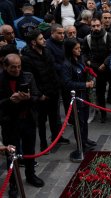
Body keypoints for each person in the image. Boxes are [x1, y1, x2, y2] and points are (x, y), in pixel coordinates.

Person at [0, 54, 45, 197]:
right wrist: (10, 100)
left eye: (19, 66)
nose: (17, 69)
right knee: (11, 154)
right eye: (13, 67)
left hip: (28, 120)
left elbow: (38, 96)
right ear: (5, 66)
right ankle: (13, 182)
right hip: (9, 123)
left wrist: (29, 98)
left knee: (29, 150)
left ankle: (31, 175)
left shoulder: (28, 76)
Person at [21, 29, 70, 152]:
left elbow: (52, 70)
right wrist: (39, 94)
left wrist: (56, 86)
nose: (44, 41)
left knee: (55, 116)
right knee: (42, 120)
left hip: (53, 90)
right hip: (41, 94)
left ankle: (56, 137)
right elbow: (31, 79)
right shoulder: (27, 58)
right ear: (33, 42)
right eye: (41, 39)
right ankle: (43, 144)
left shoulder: (47, 51)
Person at [61, 38, 97, 153]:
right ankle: (81, 143)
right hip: (75, 98)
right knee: (79, 122)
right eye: (76, 48)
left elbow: (84, 71)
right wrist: (85, 84)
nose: (79, 50)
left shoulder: (80, 59)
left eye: (79, 48)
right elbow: (67, 83)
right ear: (70, 50)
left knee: (84, 120)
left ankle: (85, 139)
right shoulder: (66, 65)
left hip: (84, 96)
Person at [83, 18, 111, 123]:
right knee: (100, 93)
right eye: (93, 26)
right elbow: (84, 52)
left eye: (98, 25)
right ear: (91, 26)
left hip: (110, 69)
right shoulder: (88, 38)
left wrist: (105, 63)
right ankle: (103, 115)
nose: (96, 28)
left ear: (101, 25)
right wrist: (87, 61)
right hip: (97, 69)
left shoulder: (109, 36)